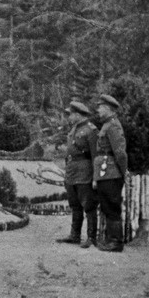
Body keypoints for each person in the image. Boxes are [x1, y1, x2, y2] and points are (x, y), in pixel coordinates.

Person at [56, 101, 99, 247]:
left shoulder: (91, 130)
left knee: (88, 205)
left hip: (85, 171)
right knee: (74, 204)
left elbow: (95, 155)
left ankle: (91, 237)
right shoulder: (74, 129)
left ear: (78, 115)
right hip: (72, 171)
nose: (69, 117)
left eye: (71, 114)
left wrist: (95, 176)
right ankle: (75, 235)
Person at [93, 94, 128, 253]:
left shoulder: (113, 126)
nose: (98, 110)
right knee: (107, 206)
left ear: (108, 108)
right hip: (105, 173)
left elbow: (120, 153)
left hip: (112, 172)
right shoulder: (107, 125)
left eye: (100, 107)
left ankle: (116, 242)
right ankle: (110, 239)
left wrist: (122, 172)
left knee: (112, 207)